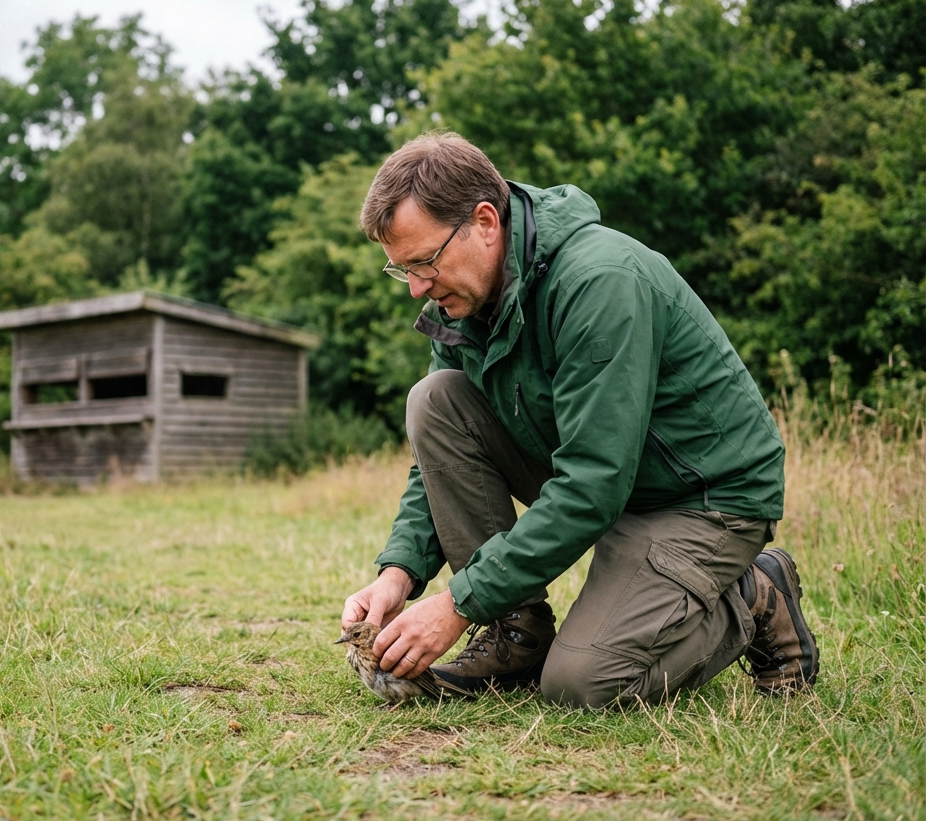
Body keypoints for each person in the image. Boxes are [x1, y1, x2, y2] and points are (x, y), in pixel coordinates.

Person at [340, 132, 819, 707]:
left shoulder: (599, 281)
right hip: (611, 482)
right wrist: (400, 572)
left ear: (486, 222)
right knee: (434, 398)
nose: (417, 286)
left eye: (425, 262)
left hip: (703, 498)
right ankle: (515, 634)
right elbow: (440, 457)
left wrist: (459, 603)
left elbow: (594, 482)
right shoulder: (461, 302)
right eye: (402, 270)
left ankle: (755, 593)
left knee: (581, 684)